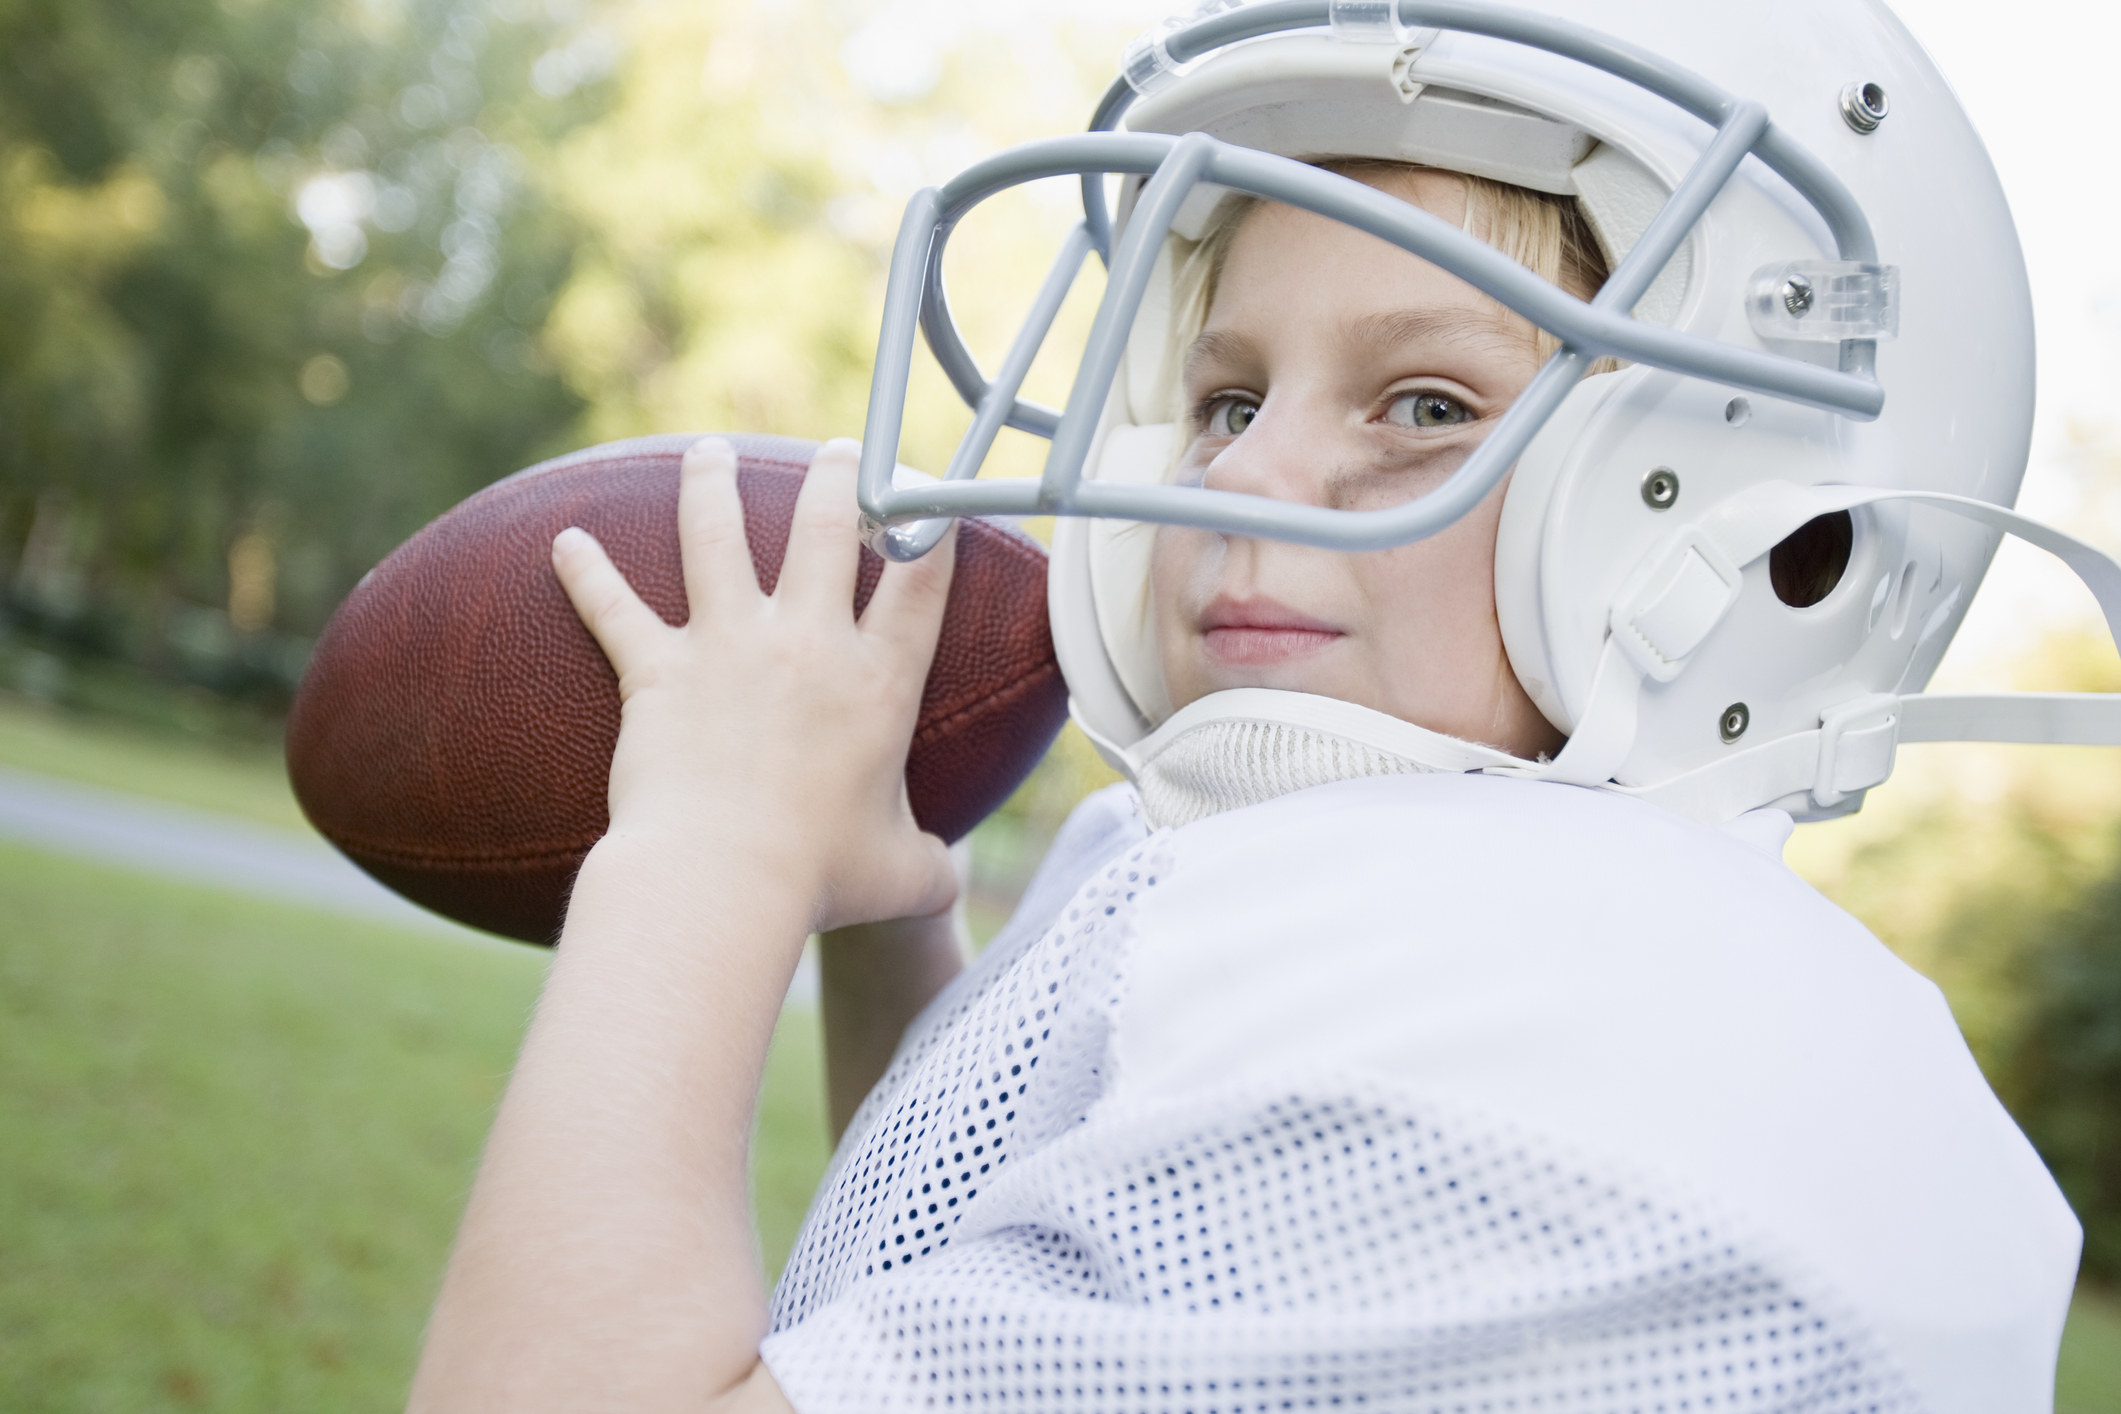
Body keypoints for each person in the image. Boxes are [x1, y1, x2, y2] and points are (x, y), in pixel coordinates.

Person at [407, 3, 2115, 1411]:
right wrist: (895, 915)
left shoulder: (1556, 1055)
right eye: (1226, 396)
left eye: (1425, 400)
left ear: (1746, 516)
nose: (1246, 474)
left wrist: (699, 857)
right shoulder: (1401, 911)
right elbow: (1005, 1286)